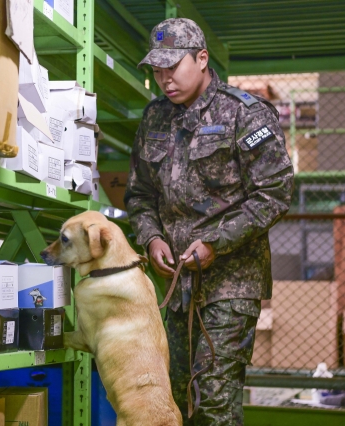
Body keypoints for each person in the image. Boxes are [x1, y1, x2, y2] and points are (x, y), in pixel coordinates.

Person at [124, 18, 294, 425]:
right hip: (178, 286)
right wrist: (150, 238)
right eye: (157, 69)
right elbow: (139, 195)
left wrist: (216, 242)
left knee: (214, 400)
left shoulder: (245, 115)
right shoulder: (154, 119)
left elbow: (275, 193)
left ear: (201, 58)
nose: (164, 79)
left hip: (231, 285)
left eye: (173, 67)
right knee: (177, 394)